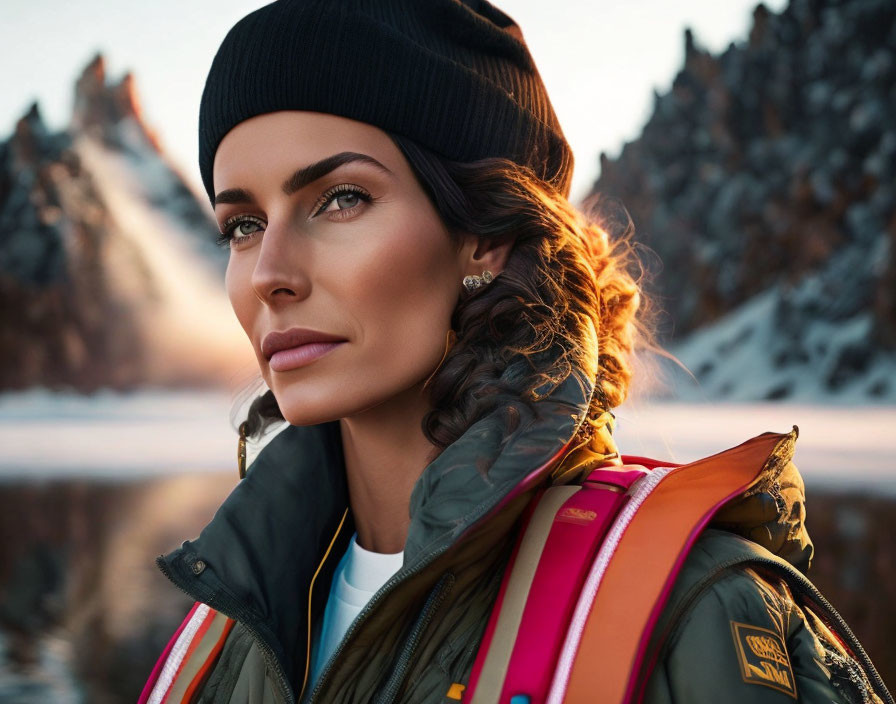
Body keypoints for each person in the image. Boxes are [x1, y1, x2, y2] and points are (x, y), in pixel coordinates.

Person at [139, 1, 893, 703]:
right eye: (242, 224)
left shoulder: (694, 608)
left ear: (487, 238)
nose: (269, 272)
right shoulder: (223, 629)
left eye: (341, 199)